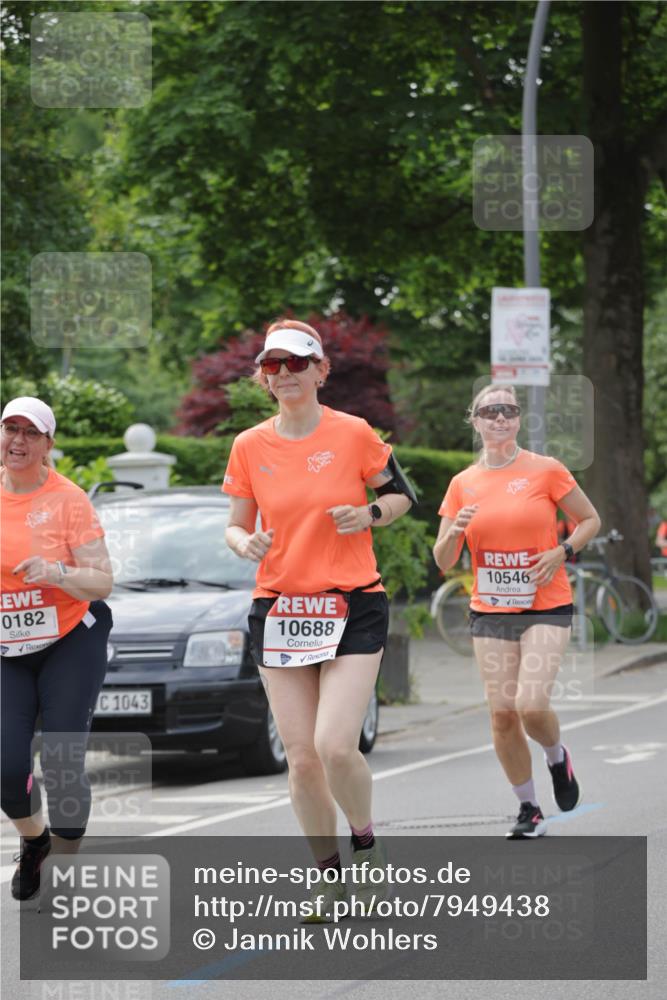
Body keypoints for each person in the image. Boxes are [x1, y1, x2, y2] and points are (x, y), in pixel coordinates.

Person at [223, 319, 415, 918]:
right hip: (280, 608)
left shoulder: (354, 434)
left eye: (296, 363)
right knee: (301, 755)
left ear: (320, 370)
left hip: (352, 604)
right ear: (264, 376)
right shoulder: (250, 445)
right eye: (273, 366)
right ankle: (328, 878)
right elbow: (235, 522)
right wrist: (241, 543)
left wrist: (371, 515)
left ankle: (364, 841)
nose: (284, 374)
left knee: (335, 745)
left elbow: (403, 495)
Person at [433, 385, 601, 839]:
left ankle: (556, 756)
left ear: (518, 419)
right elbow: (443, 559)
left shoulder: (546, 470)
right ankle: (529, 809)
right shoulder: (462, 483)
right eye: (490, 411)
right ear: (476, 420)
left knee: (530, 705)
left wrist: (562, 551)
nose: (499, 418)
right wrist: (454, 534)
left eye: (508, 410)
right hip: (490, 610)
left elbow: (590, 520)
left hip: (545, 603)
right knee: (502, 713)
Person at [1, 397, 113, 899]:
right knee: (6, 768)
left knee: (64, 762)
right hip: (8, 645)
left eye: (31, 433)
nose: (18, 441)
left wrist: (58, 572)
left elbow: (103, 581)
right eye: (10, 429)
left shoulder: (68, 500)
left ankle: (64, 875)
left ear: (48, 445)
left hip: (70, 636)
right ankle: (35, 842)